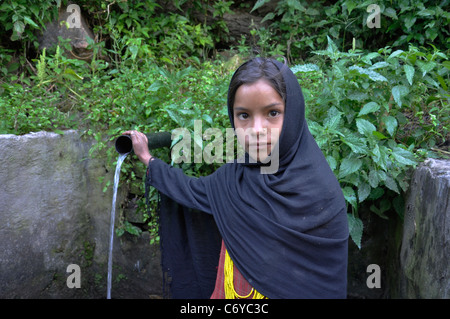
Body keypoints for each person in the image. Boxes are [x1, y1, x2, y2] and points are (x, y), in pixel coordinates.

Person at [123, 57, 349, 299]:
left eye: (272, 113)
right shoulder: (236, 176)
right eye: (244, 116)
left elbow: (324, 284)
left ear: (293, 113)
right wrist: (149, 160)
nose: (256, 129)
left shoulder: (321, 193)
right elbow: (191, 190)